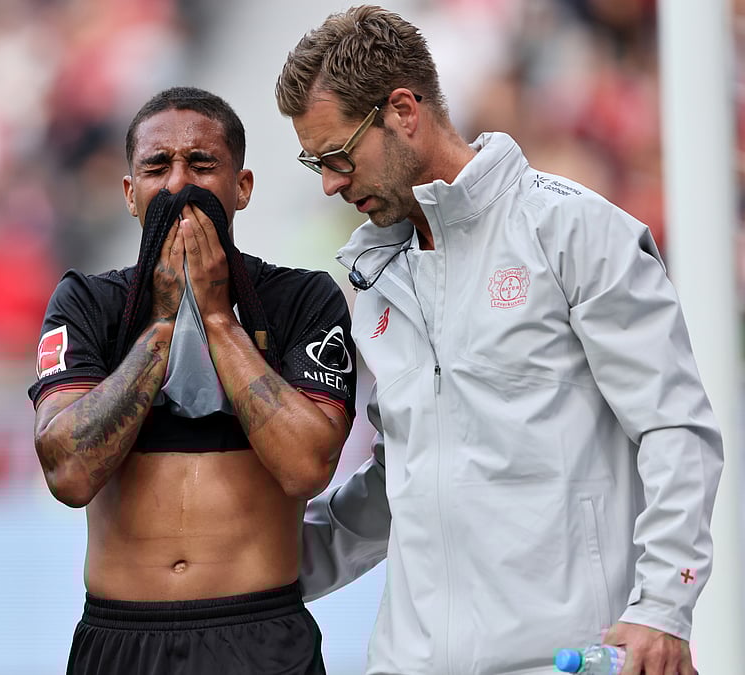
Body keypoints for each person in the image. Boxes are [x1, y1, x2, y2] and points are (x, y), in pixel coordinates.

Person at [274, 6, 724, 675]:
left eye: (338, 156)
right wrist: (253, 569)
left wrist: (664, 605)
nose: (330, 183)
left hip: (568, 660)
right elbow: (403, 480)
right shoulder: (377, 277)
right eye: (316, 162)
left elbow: (676, 429)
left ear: (403, 110)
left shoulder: (575, 231)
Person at [28, 86, 357, 675]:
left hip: (259, 636)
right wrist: (161, 324)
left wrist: (217, 319)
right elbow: (69, 473)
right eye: (157, 167)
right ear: (130, 193)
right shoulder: (86, 302)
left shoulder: (303, 298)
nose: (178, 183)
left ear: (243, 186)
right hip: (120, 639)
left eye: (202, 164)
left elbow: (307, 467)